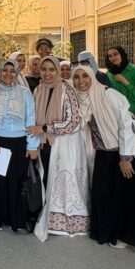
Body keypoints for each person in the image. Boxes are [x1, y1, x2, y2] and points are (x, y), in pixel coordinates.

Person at [72, 63, 135, 249]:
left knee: (125, 197)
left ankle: (126, 236)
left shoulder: (109, 94)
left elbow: (125, 125)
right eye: (76, 77)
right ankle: (107, 232)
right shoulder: (81, 99)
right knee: (104, 195)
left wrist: (125, 158)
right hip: (103, 153)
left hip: (123, 152)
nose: (81, 81)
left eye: (85, 76)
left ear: (92, 77)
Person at [31, 56, 87, 241]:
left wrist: (47, 128)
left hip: (63, 144)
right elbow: (32, 118)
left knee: (61, 181)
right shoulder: (38, 89)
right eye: (44, 69)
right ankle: (47, 215)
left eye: (51, 69)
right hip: (42, 143)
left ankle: (63, 221)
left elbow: (74, 122)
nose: (47, 73)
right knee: (46, 178)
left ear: (57, 71)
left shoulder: (67, 89)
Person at [0, 59, 39, 232]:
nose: (8, 74)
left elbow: (31, 119)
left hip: (19, 142)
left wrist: (32, 145)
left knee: (16, 181)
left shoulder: (25, 92)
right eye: (4, 70)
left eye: (12, 71)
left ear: (17, 73)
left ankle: (16, 221)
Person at [104, 47, 135, 118]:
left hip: (134, 113)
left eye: (115, 54)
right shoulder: (109, 73)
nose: (113, 57)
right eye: (110, 56)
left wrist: (125, 82)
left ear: (122, 54)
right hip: (116, 113)